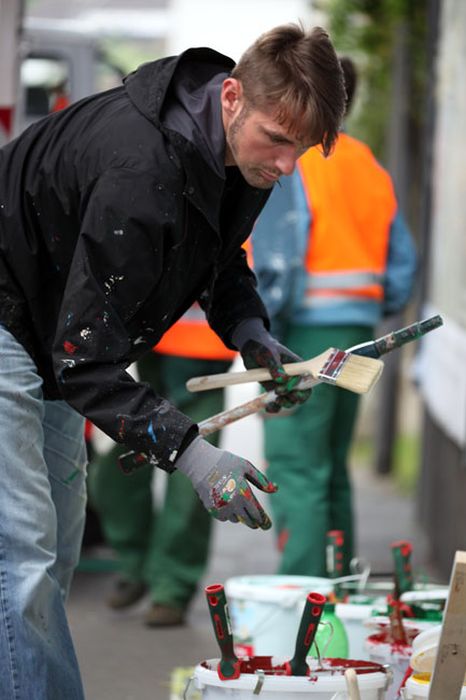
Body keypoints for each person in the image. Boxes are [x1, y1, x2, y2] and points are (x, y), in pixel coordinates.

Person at [0, 23, 346, 699]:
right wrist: (193, 456)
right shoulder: (142, 169)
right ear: (231, 96)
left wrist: (250, 331)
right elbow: (85, 365)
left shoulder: (241, 156)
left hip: (52, 323)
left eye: (300, 150)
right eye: (278, 140)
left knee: (53, 559)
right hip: (9, 316)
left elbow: (219, 258)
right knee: (23, 561)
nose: (285, 165)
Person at [251, 56, 417, 578]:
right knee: (332, 465)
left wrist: (263, 329)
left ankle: (302, 595)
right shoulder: (367, 164)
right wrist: (368, 308)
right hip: (358, 331)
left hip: (304, 333)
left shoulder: (297, 160)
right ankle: (339, 580)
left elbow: (281, 256)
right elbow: (402, 263)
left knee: (297, 464)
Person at [88, 303, 235, 627]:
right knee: (123, 463)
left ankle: (170, 584)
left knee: (193, 465)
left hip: (196, 339)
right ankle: (141, 565)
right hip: (147, 332)